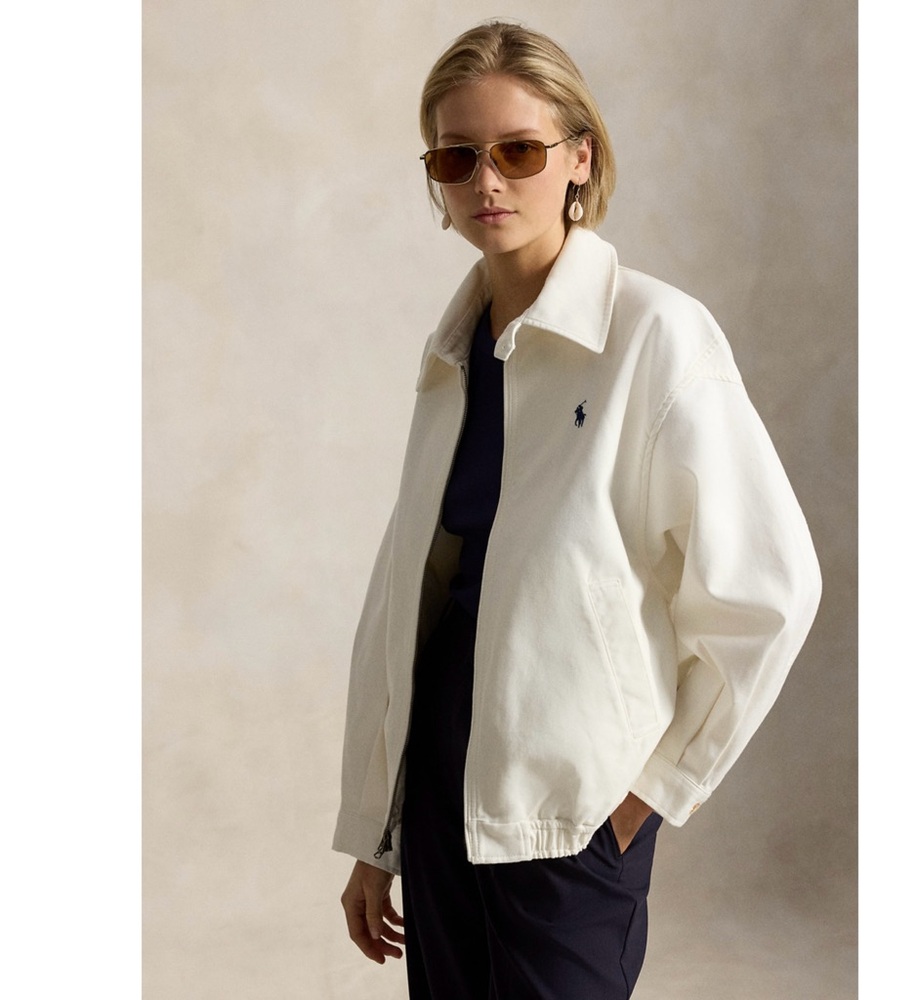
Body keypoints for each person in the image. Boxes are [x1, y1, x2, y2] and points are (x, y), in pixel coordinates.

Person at [333, 20, 821, 1000]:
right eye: (456, 157)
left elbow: (771, 589)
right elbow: (407, 604)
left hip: (572, 811)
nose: (486, 182)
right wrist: (375, 833)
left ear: (580, 158)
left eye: (518, 150)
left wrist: (652, 791)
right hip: (438, 793)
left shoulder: (655, 336)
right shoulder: (452, 353)